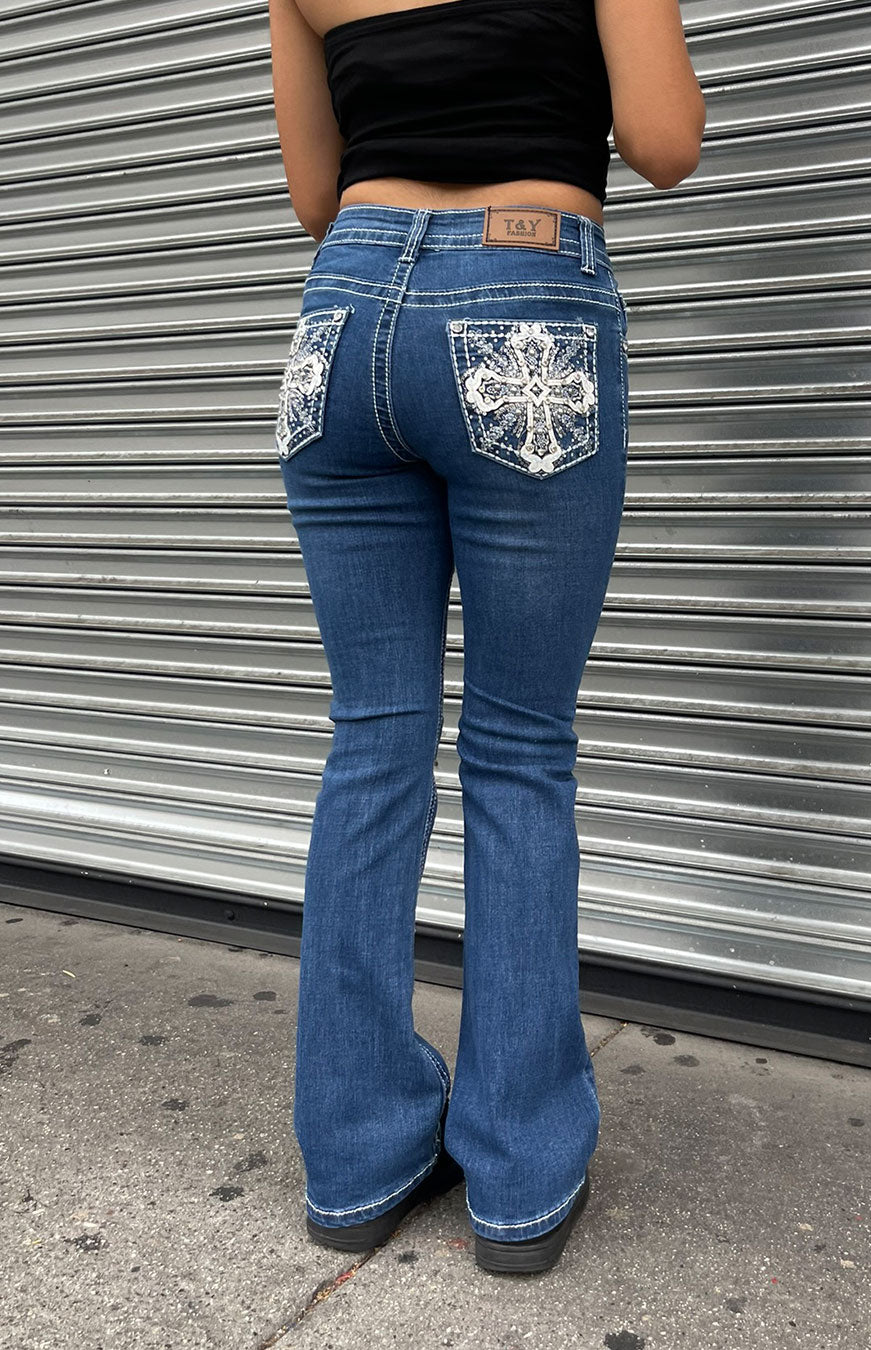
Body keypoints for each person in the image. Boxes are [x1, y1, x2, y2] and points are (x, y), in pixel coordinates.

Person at [267, 0, 705, 1275]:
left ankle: (356, 1160)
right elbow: (665, 142)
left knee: (372, 744)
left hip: (342, 320)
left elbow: (314, 195)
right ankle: (518, 1173)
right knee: (519, 749)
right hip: (526, 302)